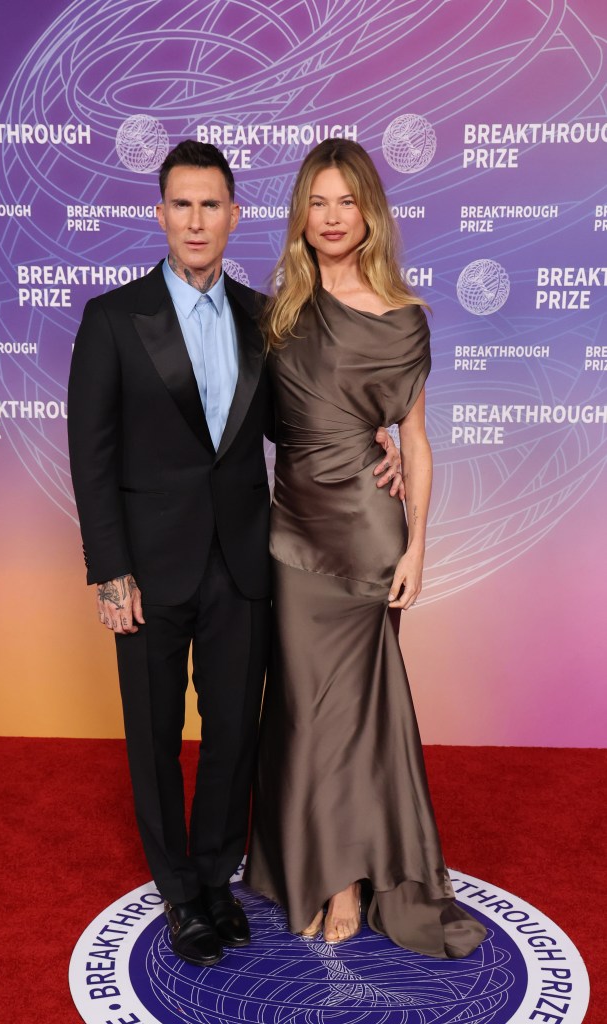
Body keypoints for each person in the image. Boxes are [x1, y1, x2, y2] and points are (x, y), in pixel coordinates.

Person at [67, 140, 403, 968]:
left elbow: (303, 422)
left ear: (233, 216)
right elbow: (91, 456)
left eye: (210, 205)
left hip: (246, 561)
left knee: (231, 733)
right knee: (153, 735)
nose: (195, 221)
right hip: (147, 568)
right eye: (181, 205)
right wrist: (109, 570)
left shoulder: (267, 317)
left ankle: (217, 876)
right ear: (160, 214)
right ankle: (179, 891)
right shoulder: (113, 318)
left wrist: (375, 440)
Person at [245, 139, 487, 959]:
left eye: (345, 201)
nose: (330, 217)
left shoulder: (404, 316)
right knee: (302, 711)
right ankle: (308, 859)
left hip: (367, 536)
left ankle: (345, 879)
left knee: (350, 716)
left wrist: (417, 547)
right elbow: (262, 421)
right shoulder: (278, 312)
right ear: (299, 216)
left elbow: (413, 440)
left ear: (369, 212)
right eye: (316, 202)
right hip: (290, 533)